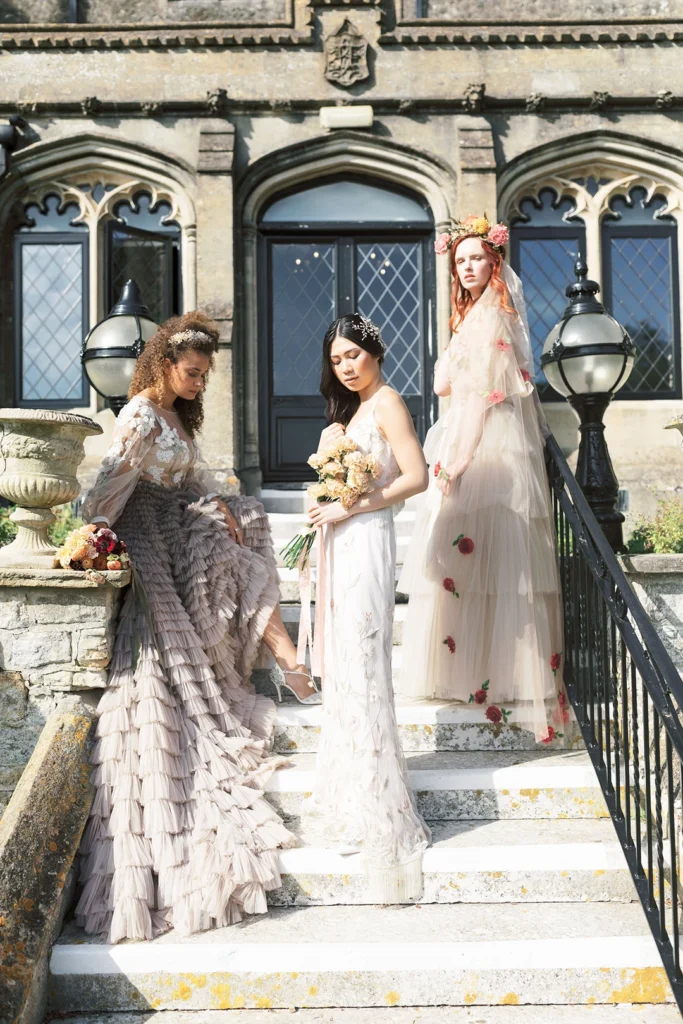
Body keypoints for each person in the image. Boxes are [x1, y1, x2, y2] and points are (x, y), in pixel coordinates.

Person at [76, 310, 321, 945]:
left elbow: (202, 481)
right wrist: (84, 539)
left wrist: (222, 505)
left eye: (206, 375)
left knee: (244, 517)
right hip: (146, 531)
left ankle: (288, 659)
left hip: (179, 518)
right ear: (163, 364)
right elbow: (104, 489)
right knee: (225, 542)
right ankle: (287, 661)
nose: (199, 383)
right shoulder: (136, 415)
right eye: (192, 372)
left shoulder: (179, 418)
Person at [398, 217, 567, 744]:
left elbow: (479, 399)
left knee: (483, 558)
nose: (467, 266)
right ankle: (477, 674)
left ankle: (494, 675)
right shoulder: (474, 317)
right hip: (468, 437)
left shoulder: (491, 317)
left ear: (495, 263)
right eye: (460, 260)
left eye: (476, 258)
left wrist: (461, 460)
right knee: (472, 562)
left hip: (484, 446)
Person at [300, 312, 431, 902]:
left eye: (353, 354)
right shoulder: (349, 413)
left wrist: (350, 508)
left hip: (369, 540)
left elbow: (417, 476)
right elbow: (339, 484)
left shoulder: (388, 403)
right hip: (341, 542)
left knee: (365, 660)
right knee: (346, 668)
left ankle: (383, 807)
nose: (346, 366)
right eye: (336, 360)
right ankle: (354, 793)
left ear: (374, 351)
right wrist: (323, 501)